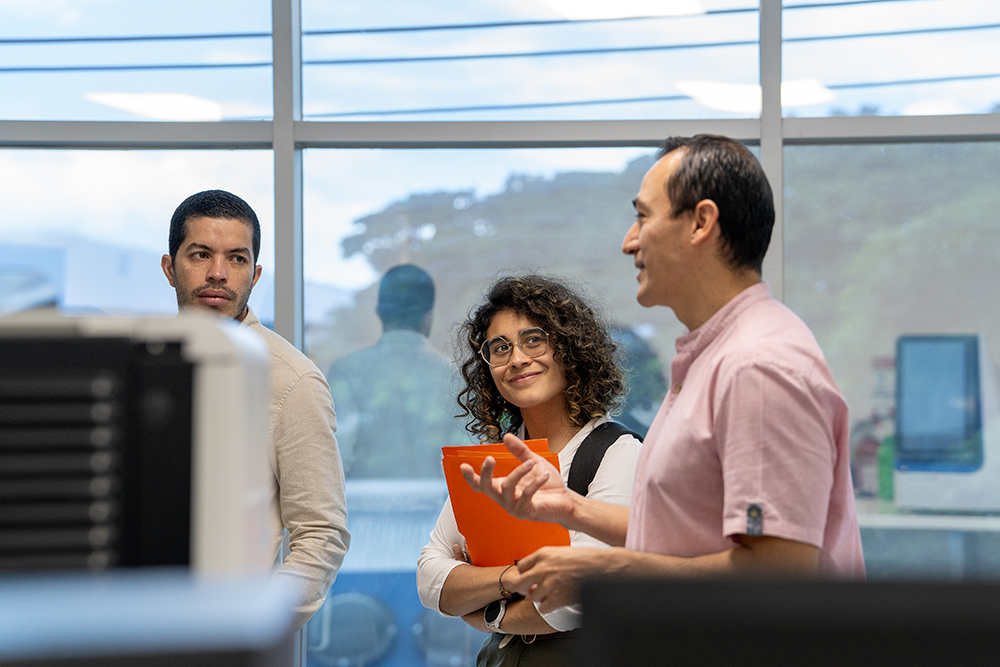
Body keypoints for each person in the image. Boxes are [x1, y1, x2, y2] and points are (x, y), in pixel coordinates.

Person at [462, 135, 866, 614]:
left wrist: (603, 571)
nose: (629, 241)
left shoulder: (758, 366)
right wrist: (571, 508)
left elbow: (778, 569)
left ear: (701, 223)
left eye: (643, 216)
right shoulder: (717, 357)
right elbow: (692, 535)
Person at [416, 274, 642, 667]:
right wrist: (511, 580)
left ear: (570, 348)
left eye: (533, 339)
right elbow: (431, 580)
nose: (517, 358)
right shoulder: (493, 462)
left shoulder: (618, 453)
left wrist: (490, 611)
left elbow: (578, 596)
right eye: (499, 347)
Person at [160, 189, 350, 632]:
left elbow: (322, 534)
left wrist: (256, 629)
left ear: (255, 273)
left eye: (237, 259)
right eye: (201, 254)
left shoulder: (291, 381)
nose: (218, 273)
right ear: (170, 268)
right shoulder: (144, 367)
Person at [328, 264, 469, 479]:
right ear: (429, 317)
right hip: (439, 510)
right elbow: (466, 469)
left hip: (357, 509)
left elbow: (334, 462)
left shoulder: (346, 372)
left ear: (379, 312)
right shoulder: (457, 379)